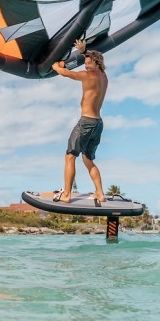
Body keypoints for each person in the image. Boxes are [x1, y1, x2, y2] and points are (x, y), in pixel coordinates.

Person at [51, 40, 108, 204]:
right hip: (98, 124)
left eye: (88, 64)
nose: (85, 66)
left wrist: (55, 65)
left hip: (86, 123)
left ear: (96, 63)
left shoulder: (87, 76)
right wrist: (84, 52)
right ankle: (100, 193)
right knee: (88, 159)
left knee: (70, 156)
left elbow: (65, 72)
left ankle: (67, 194)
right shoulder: (104, 77)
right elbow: (93, 62)